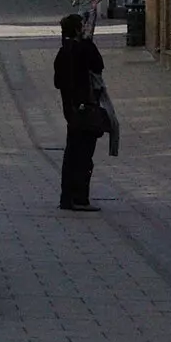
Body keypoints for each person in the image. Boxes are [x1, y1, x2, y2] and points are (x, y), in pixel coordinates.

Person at [54, 12, 105, 211]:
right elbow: (98, 66)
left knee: (71, 153)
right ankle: (80, 197)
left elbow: (57, 82)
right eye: (82, 25)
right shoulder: (84, 48)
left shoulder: (62, 51)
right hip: (86, 107)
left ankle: (66, 197)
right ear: (77, 29)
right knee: (84, 155)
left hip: (70, 109)